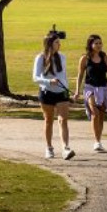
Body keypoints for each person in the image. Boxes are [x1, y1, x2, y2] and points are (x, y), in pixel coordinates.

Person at [73, 34, 107, 153]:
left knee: (101, 115)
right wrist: (77, 91)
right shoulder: (84, 59)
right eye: (96, 43)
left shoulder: (106, 58)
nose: (99, 45)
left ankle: (99, 140)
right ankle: (96, 142)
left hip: (103, 89)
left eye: (100, 43)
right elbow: (80, 76)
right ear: (90, 45)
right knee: (95, 113)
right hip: (90, 89)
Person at [34, 30, 75, 160]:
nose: (59, 44)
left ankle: (65, 148)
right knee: (48, 121)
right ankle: (49, 148)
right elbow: (35, 77)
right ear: (50, 44)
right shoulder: (40, 57)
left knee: (63, 120)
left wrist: (68, 92)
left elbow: (64, 76)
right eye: (57, 42)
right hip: (47, 92)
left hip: (61, 93)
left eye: (59, 42)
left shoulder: (62, 57)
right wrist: (48, 81)